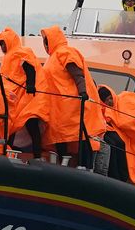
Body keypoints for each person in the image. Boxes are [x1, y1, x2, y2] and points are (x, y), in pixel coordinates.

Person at [40, 25, 106, 167]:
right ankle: (64, 164)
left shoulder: (65, 52)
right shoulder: (52, 58)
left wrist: (83, 92)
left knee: (80, 135)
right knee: (60, 136)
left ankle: (86, 167)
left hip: (71, 105)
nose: (45, 43)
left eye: (46, 40)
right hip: (58, 106)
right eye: (44, 41)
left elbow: (77, 74)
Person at [0, 27, 49, 158]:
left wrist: (30, 85)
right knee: (12, 124)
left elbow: (29, 67)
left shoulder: (20, 52)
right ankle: (8, 151)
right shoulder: (8, 57)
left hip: (29, 96)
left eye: (3, 43)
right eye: (0, 43)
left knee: (31, 123)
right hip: (16, 97)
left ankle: (37, 156)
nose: (1, 46)